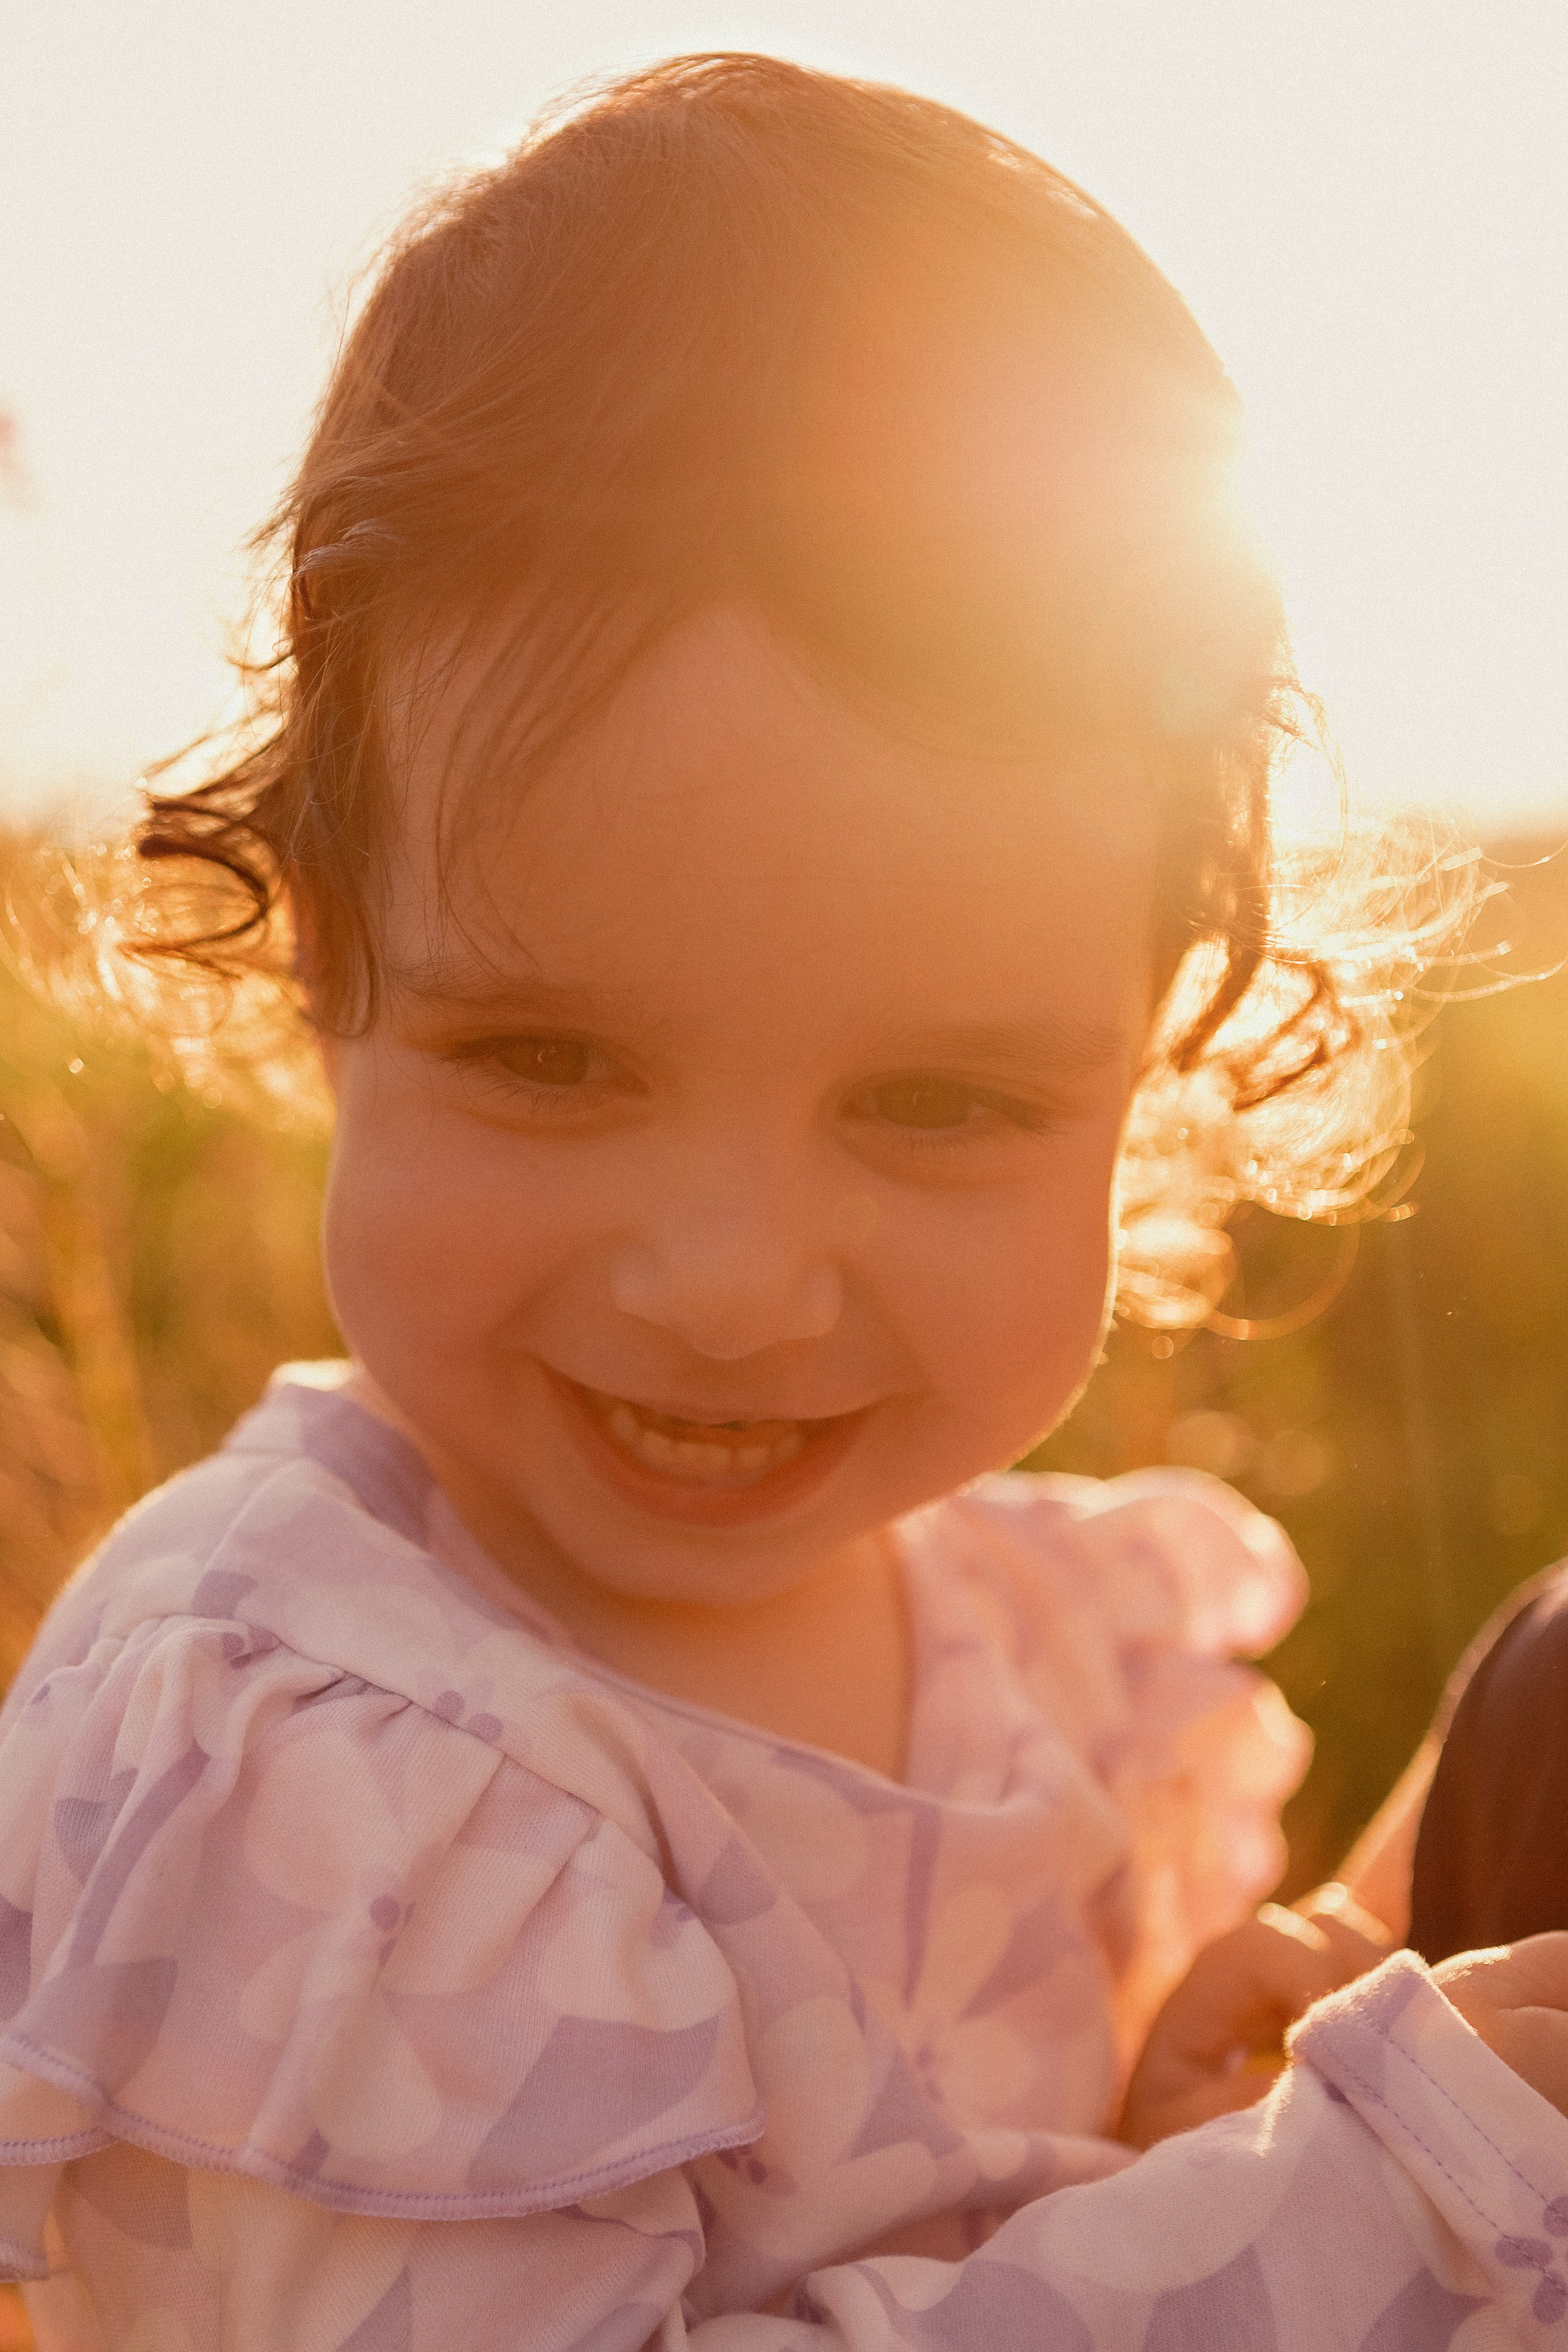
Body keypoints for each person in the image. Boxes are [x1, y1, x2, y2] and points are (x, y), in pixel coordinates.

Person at [2, 53, 1565, 2350]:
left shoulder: (1006, 1623)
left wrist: (1194, 2107)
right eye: (552, 1059)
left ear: (1155, 1053)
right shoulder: (343, 1769)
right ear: (332, 963)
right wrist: (1351, 2228)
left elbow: (979, 2231)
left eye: (936, 1102)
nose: (729, 1287)